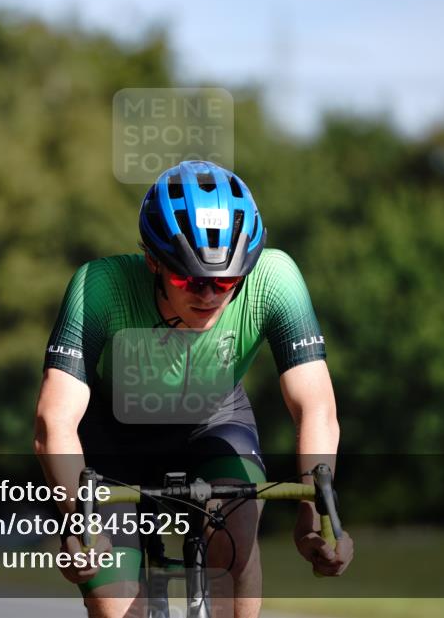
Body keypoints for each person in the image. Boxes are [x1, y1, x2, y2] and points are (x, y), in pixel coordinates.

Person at [34, 161, 353, 618]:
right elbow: (54, 420)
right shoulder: (99, 287)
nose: (208, 294)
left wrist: (316, 517)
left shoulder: (276, 280)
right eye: (189, 279)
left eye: (225, 281)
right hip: (112, 442)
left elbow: (316, 408)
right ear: (153, 261)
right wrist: (76, 519)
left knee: (237, 531)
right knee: (115, 603)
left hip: (214, 421)